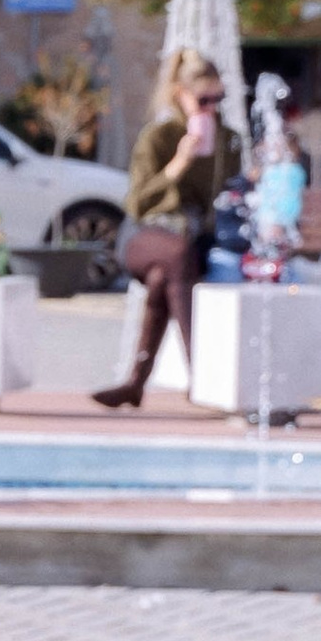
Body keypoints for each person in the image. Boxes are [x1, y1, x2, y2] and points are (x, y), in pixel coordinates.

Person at [94, 53, 241, 405]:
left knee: (166, 277)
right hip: (143, 234)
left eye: (219, 99)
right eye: (203, 100)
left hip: (191, 241)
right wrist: (178, 164)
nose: (212, 108)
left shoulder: (227, 140)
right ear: (181, 94)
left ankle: (134, 384)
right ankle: (201, 375)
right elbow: (136, 204)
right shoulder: (159, 137)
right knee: (174, 257)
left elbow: (227, 199)